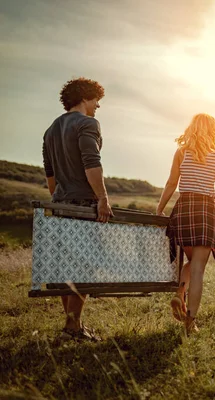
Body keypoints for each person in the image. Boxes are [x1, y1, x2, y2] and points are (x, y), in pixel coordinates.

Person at [42, 77, 113, 341]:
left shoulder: (50, 130)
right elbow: (91, 163)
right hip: (84, 204)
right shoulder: (88, 123)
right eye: (96, 100)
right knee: (84, 265)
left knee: (64, 267)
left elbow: (50, 175)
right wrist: (102, 198)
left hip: (59, 203)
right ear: (85, 97)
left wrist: (60, 198)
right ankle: (73, 327)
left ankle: (72, 325)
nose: (97, 106)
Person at [156, 113, 215, 335]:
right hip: (206, 211)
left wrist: (160, 209)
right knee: (198, 268)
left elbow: (172, 182)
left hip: (184, 209)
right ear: (213, 130)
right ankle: (190, 322)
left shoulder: (182, 152)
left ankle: (179, 293)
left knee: (190, 261)